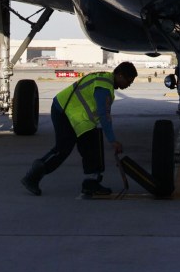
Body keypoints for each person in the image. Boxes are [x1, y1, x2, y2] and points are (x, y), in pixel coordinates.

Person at [21, 61, 138, 198]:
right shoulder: (104, 86)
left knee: (92, 147)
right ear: (120, 75)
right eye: (128, 81)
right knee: (63, 148)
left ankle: (91, 183)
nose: (128, 85)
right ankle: (33, 176)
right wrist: (112, 140)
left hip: (78, 117)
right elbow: (104, 115)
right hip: (64, 112)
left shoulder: (105, 80)